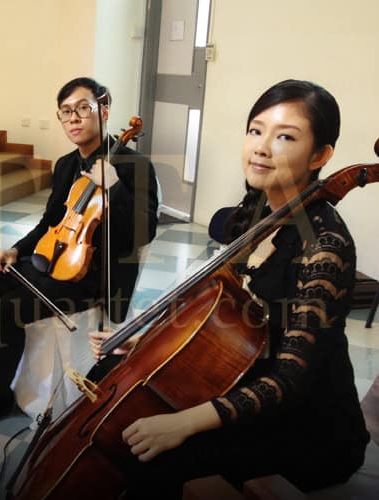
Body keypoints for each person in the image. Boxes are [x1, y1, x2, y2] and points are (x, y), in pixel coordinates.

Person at [87, 79, 369, 498]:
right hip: (248, 375)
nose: (261, 147)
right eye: (255, 130)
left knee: (151, 457)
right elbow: (220, 314)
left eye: (285, 137)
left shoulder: (324, 246)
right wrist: (149, 342)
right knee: (109, 374)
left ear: (320, 156)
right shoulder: (258, 212)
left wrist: (183, 423)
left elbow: (290, 380)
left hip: (307, 425)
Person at [0, 77, 159, 428]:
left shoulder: (135, 166)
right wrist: (16, 250)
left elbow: (144, 231)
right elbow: (49, 222)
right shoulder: (66, 164)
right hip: (50, 260)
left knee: (9, 307)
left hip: (93, 276)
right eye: (66, 112)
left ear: (103, 112)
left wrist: (114, 185)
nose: (74, 118)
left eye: (83, 108)